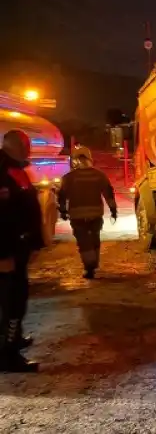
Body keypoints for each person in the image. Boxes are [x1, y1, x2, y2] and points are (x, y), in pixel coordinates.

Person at [0, 129, 44, 372]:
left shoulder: (16, 169)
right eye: (25, 145)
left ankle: (14, 339)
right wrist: (3, 255)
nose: (29, 149)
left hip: (18, 248)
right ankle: (7, 355)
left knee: (19, 298)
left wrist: (35, 243)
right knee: (11, 304)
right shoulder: (2, 172)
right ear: (11, 146)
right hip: (7, 251)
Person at [57, 145, 117, 279]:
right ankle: (94, 263)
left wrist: (63, 211)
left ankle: (90, 267)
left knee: (83, 241)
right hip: (95, 214)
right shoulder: (99, 175)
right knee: (95, 238)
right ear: (90, 158)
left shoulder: (69, 177)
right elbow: (108, 193)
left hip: (77, 215)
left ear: (75, 160)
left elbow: (62, 196)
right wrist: (113, 210)